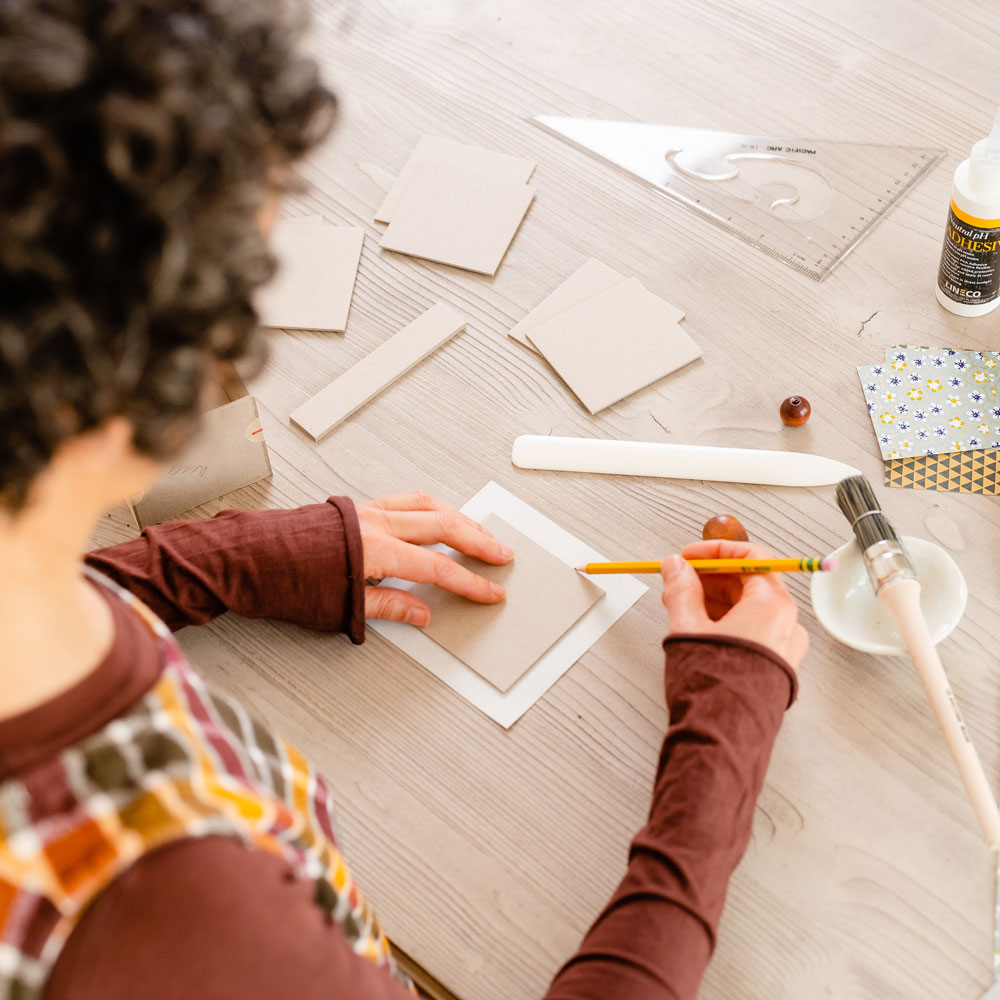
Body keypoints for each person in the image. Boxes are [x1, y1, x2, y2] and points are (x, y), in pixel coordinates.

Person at [0, 1, 809, 998]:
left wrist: (221, 557)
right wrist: (722, 749)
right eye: (235, 285)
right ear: (124, 391)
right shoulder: (181, 916)